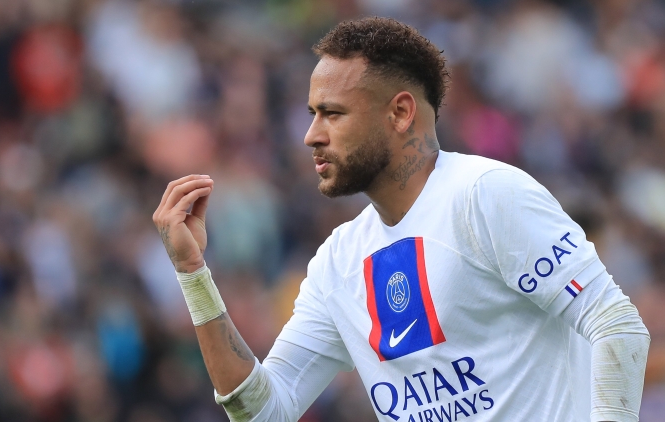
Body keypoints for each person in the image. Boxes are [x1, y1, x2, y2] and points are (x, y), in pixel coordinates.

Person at [152, 17, 650, 422]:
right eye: (312, 114)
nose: (311, 135)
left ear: (400, 113)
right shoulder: (338, 262)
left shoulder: (484, 195)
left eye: (332, 113)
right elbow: (262, 412)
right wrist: (193, 275)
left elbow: (616, 324)